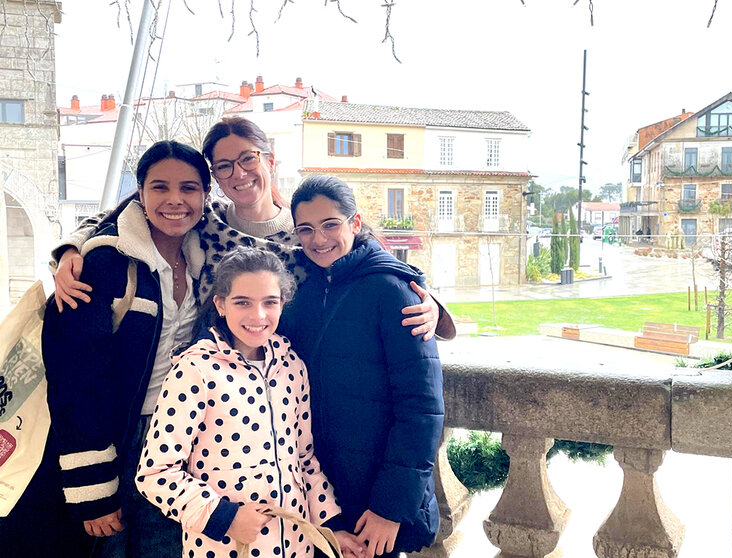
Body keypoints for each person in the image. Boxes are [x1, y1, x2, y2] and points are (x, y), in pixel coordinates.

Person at [51, 116, 451, 340]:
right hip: (206, 388)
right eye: (223, 166)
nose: (238, 173)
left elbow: (370, 255)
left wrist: (429, 301)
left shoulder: (307, 232)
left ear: (269, 161)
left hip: (292, 383)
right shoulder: (204, 222)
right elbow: (126, 213)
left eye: (248, 159)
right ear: (214, 178)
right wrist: (72, 249)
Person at [40, 140, 212, 558]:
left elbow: (269, 223)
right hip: (115, 437)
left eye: (189, 188)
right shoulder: (103, 264)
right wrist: (93, 490)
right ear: (139, 192)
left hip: (180, 438)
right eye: (160, 187)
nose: (175, 200)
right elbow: (73, 381)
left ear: (205, 197)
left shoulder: (207, 254)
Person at [135, 247, 364, 558]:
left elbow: (304, 459)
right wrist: (225, 518)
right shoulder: (194, 370)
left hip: (298, 546)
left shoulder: (292, 367)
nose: (258, 315)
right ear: (221, 304)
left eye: (270, 302)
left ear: (283, 304)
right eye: (243, 302)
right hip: (222, 548)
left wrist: (331, 528)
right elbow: (155, 473)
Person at [282, 175, 444, 558]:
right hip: (320, 496)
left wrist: (390, 507)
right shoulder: (302, 292)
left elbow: (421, 408)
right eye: (306, 229)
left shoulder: (393, 291)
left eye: (330, 225)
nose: (318, 239)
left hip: (376, 501)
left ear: (355, 223)